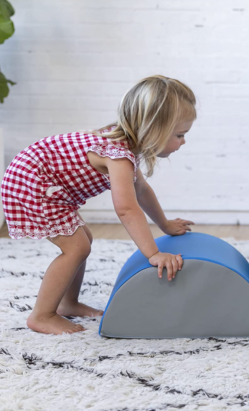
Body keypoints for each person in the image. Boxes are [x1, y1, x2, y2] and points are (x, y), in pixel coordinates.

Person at [0, 75, 196, 334]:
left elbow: (142, 191)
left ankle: (67, 304)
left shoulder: (127, 145)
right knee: (76, 247)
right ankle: (42, 315)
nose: (183, 142)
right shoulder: (118, 156)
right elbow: (126, 208)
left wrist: (165, 225)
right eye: (179, 134)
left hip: (46, 182)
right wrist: (153, 253)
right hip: (33, 182)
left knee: (84, 241)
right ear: (153, 129)